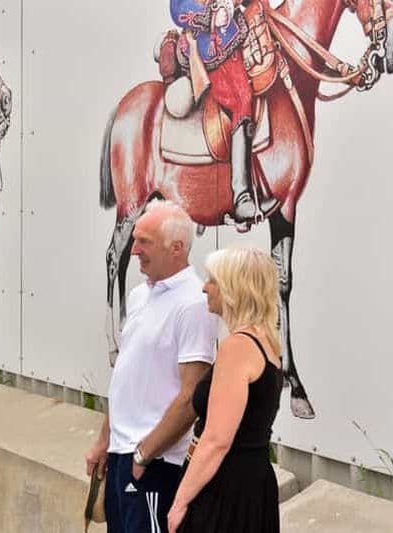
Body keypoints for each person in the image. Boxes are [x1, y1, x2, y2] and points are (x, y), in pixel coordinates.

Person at [85, 200, 218, 533]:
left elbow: (191, 396)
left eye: (144, 242)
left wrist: (146, 453)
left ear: (176, 248)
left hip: (155, 462)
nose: (133, 250)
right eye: (135, 239)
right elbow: (126, 378)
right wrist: (105, 440)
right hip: (122, 454)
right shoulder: (140, 295)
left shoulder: (194, 303)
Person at [167, 247, 283, 533]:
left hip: (225, 488)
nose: (205, 288)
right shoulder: (267, 342)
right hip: (252, 485)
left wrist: (180, 500)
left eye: (213, 281)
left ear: (234, 288)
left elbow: (217, 440)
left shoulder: (238, 347)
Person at [169, 0, 277, 222]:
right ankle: (242, 198)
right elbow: (177, 8)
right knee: (242, 100)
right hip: (206, 46)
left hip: (234, 33)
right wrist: (211, 16)